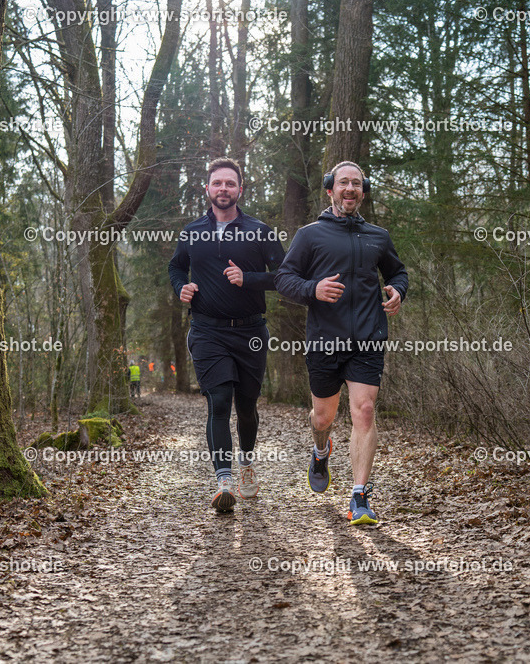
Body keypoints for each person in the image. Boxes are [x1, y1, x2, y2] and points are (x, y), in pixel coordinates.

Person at [275, 161, 408, 525]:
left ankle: (359, 497)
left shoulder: (378, 236)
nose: (350, 189)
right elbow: (284, 278)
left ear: (363, 192)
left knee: (364, 410)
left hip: (368, 338)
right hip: (324, 341)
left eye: (357, 184)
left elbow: (397, 271)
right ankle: (321, 450)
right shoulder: (310, 235)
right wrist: (312, 289)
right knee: (324, 416)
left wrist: (399, 290)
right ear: (330, 188)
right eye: (343, 182)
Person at [168, 158, 286, 512]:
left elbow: (285, 275)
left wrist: (248, 278)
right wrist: (181, 287)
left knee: (246, 407)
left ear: (240, 189)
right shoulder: (192, 231)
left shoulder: (260, 230)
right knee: (218, 402)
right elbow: (176, 265)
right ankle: (223, 481)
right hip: (206, 330)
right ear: (207, 188)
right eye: (217, 183)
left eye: (230, 184)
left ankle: (246, 464)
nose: (223, 189)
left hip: (250, 331)